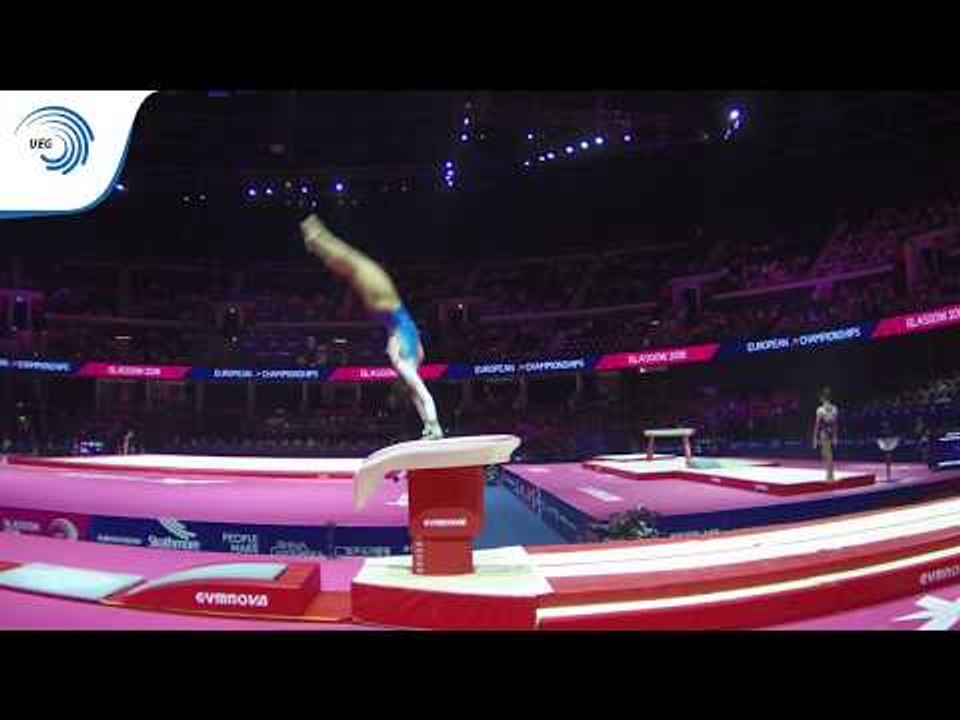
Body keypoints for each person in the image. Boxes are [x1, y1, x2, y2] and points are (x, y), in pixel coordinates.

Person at [300, 214, 443, 439]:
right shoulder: (405, 366)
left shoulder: (411, 361)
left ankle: (319, 239)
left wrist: (431, 426)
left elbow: (418, 390)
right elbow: (421, 396)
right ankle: (318, 241)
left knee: (355, 264)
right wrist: (432, 426)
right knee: (353, 267)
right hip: (386, 307)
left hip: (389, 306)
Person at [812, 387, 839, 482]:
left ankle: (830, 477)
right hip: (828, 432)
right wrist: (835, 436)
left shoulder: (820, 409)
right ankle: (829, 474)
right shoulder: (834, 408)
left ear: (823, 398)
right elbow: (836, 424)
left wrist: (814, 438)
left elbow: (817, 425)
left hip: (825, 433)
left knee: (828, 454)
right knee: (825, 453)